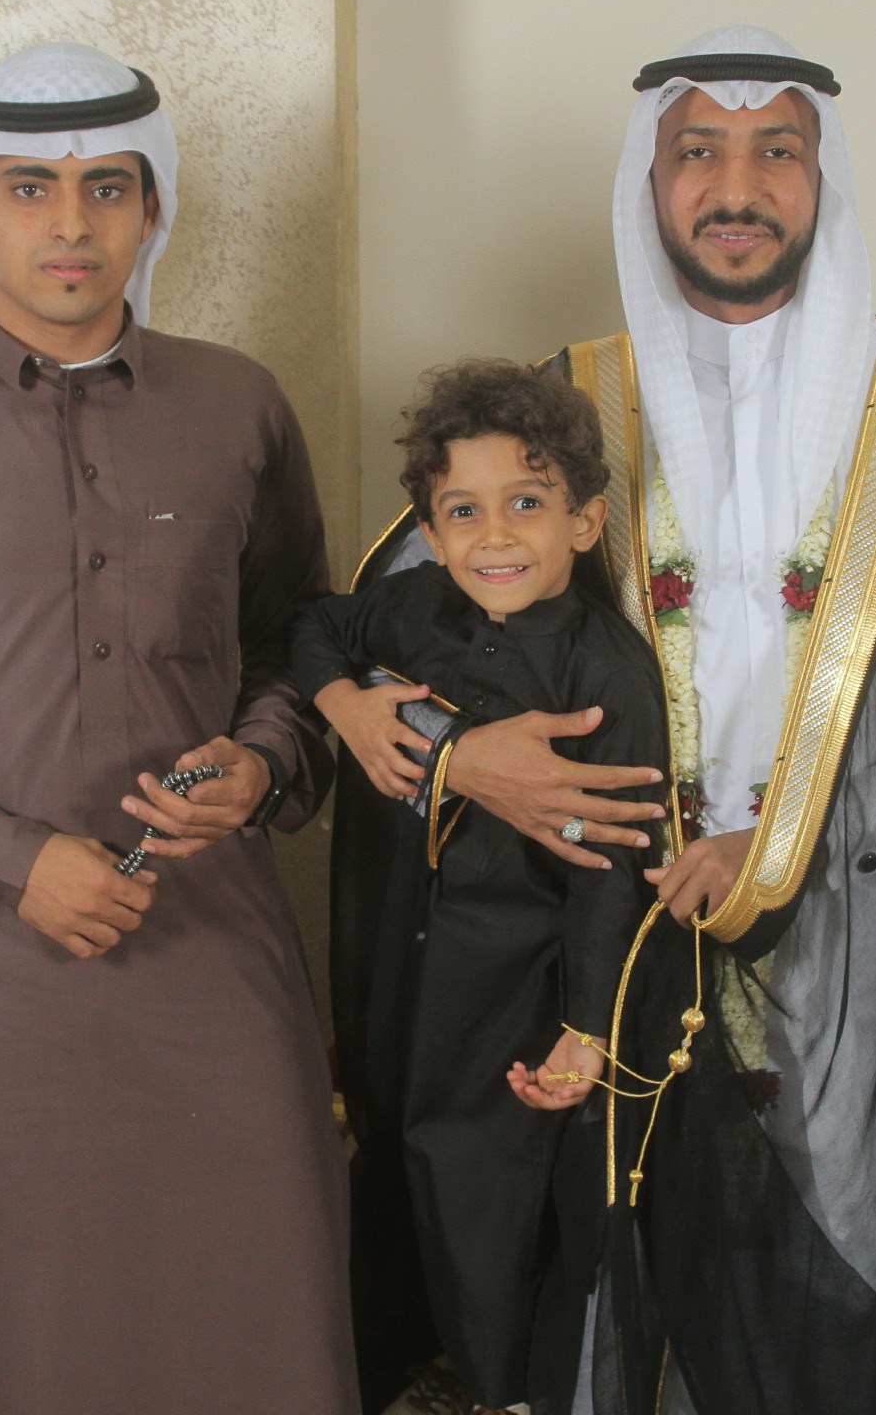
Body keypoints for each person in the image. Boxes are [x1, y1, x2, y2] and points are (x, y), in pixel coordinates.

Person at [332, 26, 876, 1415]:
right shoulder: (570, 405)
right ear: (652, 181)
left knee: (856, 1344)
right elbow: (389, 638)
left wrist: (800, 840)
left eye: (774, 152)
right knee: (626, 1319)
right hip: (613, 958)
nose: (736, 188)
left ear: (822, 177)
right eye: (699, 153)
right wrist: (453, 755)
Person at [0, 41, 355, 1415]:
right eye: (30, 189)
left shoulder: (236, 403)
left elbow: (302, 642)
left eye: (108, 187)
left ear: (152, 209)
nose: (71, 224)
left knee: (246, 1327)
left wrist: (261, 761)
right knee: (5, 1343)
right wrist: (13, 858)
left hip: (213, 951)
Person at [293, 359, 665, 1414]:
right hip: (405, 961)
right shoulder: (417, 607)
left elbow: (612, 869)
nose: (495, 536)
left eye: (527, 504)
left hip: (517, 982)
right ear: (431, 529)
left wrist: (586, 1028)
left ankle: (505, 1389)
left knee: (488, 1194)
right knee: (396, 1162)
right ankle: (413, 1373)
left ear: (585, 521)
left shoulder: (607, 672)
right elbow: (317, 625)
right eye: (464, 511)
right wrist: (345, 706)